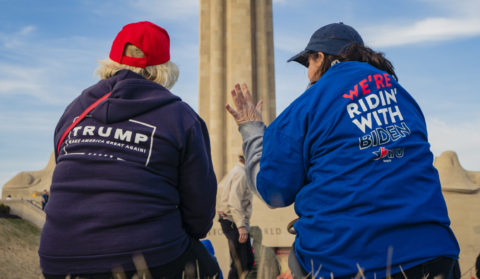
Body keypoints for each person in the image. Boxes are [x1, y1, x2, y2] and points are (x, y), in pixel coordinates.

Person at [226, 22, 460, 279]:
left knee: (298, 259)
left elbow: (273, 191)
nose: (309, 74)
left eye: (309, 63)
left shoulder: (307, 106)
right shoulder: (404, 97)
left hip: (346, 261)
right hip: (436, 254)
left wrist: (251, 129)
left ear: (322, 58)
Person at [39, 21, 219, 279]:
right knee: (208, 267)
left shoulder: (74, 111)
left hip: (58, 260)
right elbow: (199, 215)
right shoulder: (181, 117)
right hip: (147, 258)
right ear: (164, 70)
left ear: (110, 62)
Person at [217, 155, 254, 279]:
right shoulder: (241, 174)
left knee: (247, 261)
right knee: (240, 263)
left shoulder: (239, 172)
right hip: (232, 221)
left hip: (232, 220)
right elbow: (234, 202)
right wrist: (241, 226)